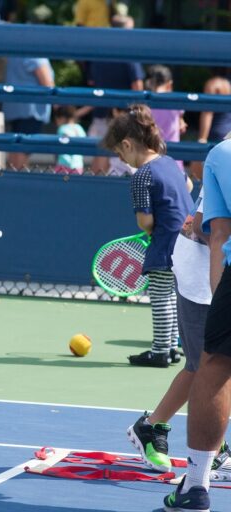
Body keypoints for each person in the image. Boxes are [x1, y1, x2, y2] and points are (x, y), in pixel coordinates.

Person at [126, 186, 230, 480]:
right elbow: (202, 227)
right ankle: (162, 431)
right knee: (208, 367)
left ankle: (160, 429)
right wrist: (218, 291)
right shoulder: (227, 160)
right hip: (202, 273)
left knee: (210, 366)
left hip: (218, 269)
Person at [162, 135, 231, 511]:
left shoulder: (223, 154)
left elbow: (215, 232)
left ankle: (196, 486)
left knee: (214, 364)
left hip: (220, 277)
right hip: (204, 276)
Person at [101, 104, 192, 367]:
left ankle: (161, 351)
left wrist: (150, 229)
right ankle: (174, 347)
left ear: (127, 145)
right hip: (186, 242)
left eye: (119, 153)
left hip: (165, 243)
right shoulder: (169, 163)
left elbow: (145, 220)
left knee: (161, 294)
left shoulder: (141, 176)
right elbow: (186, 185)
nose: (121, 160)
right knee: (174, 295)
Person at [84, 15, 144, 175]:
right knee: (124, 154)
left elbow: (92, 82)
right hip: (124, 114)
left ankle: (96, 188)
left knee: (101, 151)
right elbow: (137, 85)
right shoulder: (129, 53)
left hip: (100, 111)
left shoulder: (100, 53)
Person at [2, 56, 55, 170]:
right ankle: (20, 182)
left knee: (15, 148)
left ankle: (12, 181)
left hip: (13, 107)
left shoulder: (15, 55)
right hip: (31, 110)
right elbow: (47, 83)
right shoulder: (36, 56)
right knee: (24, 150)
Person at [145, 65, 186, 169]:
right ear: (169, 84)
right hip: (173, 160)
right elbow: (182, 127)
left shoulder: (145, 104)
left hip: (150, 160)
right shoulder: (175, 102)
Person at [53, 105, 86, 174]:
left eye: (57, 119)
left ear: (62, 118)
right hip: (78, 165)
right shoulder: (79, 128)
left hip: (63, 165)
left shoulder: (62, 128)